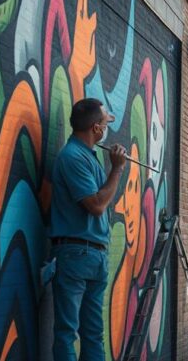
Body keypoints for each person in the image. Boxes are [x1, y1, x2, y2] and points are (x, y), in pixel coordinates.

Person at [51, 98, 127, 361]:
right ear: (96, 128)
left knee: (94, 334)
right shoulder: (72, 157)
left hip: (94, 255)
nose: (107, 128)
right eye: (105, 123)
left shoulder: (88, 157)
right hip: (76, 253)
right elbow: (95, 205)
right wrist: (116, 169)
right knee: (67, 332)